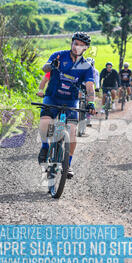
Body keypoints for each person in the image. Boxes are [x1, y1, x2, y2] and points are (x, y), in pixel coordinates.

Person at [37, 32, 96, 178]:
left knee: (72, 131)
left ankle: (67, 163)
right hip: (52, 97)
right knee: (45, 122)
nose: (77, 47)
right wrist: (51, 66)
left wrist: (91, 103)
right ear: (71, 43)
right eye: (76, 43)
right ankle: (45, 147)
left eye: (81, 45)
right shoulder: (59, 55)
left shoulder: (86, 66)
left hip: (70, 100)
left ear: (86, 48)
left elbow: (90, 86)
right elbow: (45, 69)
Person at [83, 57, 100, 126]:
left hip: (90, 86)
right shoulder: (82, 70)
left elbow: (97, 80)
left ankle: (88, 117)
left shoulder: (95, 71)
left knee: (89, 100)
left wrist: (97, 87)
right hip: (82, 85)